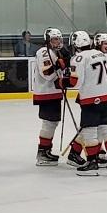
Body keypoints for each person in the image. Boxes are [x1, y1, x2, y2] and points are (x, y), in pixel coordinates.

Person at [65, 31, 107, 176]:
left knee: (89, 130)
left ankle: (92, 162)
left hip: (92, 98)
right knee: (106, 128)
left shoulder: (78, 58)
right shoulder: (101, 54)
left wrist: (61, 82)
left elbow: (75, 82)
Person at [32, 28, 67, 166]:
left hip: (52, 92)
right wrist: (60, 64)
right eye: (54, 39)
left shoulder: (54, 52)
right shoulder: (44, 52)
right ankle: (42, 153)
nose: (57, 42)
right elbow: (47, 74)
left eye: (59, 39)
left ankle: (45, 151)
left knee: (52, 122)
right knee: (49, 122)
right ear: (48, 40)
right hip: (46, 92)